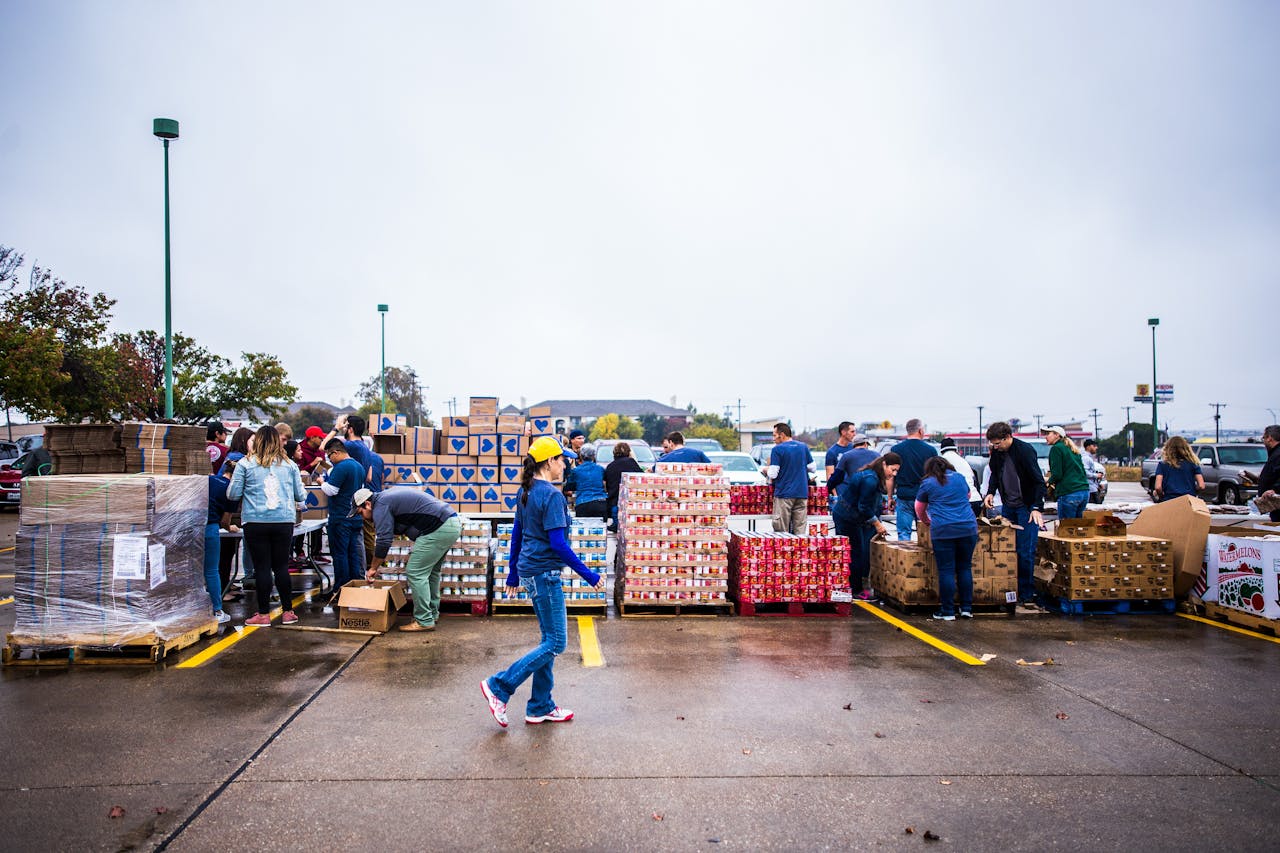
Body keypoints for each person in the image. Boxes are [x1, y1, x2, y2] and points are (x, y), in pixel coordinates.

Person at [481, 437, 601, 728]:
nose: (565, 465)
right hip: (545, 575)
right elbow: (558, 544)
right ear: (549, 462)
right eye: (562, 460)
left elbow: (517, 535)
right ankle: (499, 686)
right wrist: (589, 575)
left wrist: (512, 572)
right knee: (557, 642)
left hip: (531, 572)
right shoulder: (552, 496)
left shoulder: (527, 491)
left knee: (548, 640)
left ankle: (539, 706)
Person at [226, 425, 306, 627]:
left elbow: (232, 494)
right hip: (283, 520)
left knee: (262, 567)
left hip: (255, 521)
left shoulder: (245, 464)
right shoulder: (289, 465)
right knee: (281, 566)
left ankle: (263, 614)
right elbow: (300, 496)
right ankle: (288, 612)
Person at [358, 486, 462, 631]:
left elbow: (383, 540)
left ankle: (424, 620)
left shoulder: (380, 505)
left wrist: (373, 568)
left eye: (361, 512)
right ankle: (431, 614)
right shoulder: (386, 497)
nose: (362, 517)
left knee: (415, 572)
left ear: (367, 504)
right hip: (451, 523)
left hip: (438, 528)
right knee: (431, 573)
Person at [983, 422, 1046, 613]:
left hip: (1026, 507)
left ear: (1007, 437)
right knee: (1007, 550)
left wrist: (1036, 507)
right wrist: (991, 492)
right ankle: (1011, 590)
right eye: (993, 444)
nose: (996, 447)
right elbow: (994, 474)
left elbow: (1038, 481)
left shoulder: (1024, 451)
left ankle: (1027, 594)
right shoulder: (998, 454)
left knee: (1025, 551)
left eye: (998, 443)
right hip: (1009, 506)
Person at [915, 457, 979, 621]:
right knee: (965, 568)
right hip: (968, 528)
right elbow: (968, 494)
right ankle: (966, 609)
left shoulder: (928, 482)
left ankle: (948, 611)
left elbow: (919, 508)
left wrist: (927, 521)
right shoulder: (959, 478)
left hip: (943, 530)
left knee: (946, 570)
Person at [833, 452, 900, 600]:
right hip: (847, 518)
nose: (893, 474)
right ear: (884, 464)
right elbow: (863, 506)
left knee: (856, 552)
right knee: (856, 554)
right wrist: (877, 523)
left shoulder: (871, 475)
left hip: (850, 516)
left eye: (896, 471)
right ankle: (855, 590)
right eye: (892, 469)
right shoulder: (870, 480)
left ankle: (851, 586)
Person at [320, 438, 368, 594]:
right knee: (353, 554)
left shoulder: (341, 467)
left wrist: (322, 482)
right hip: (355, 517)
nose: (330, 460)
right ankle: (354, 587)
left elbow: (331, 490)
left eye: (329, 456)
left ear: (336, 452)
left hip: (340, 517)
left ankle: (340, 588)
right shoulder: (359, 466)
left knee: (340, 554)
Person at [890, 419, 939, 540]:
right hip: (925, 498)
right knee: (926, 533)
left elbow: (891, 476)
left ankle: (904, 558)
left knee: (903, 533)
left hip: (904, 496)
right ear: (921, 430)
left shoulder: (896, 450)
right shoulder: (931, 450)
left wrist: (890, 497)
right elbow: (936, 476)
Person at [765, 423, 814, 534]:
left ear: (781, 435)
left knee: (782, 532)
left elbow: (773, 474)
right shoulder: (803, 447)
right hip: (801, 493)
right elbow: (813, 467)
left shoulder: (777, 449)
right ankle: (799, 551)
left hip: (784, 494)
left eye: (774, 435)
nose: (773, 439)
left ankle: (785, 551)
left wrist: (765, 469)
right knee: (800, 531)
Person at [204, 460, 237, 624]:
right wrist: (231, 528)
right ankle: (217, 610)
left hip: (191, 526)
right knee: (211, 570)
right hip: (210, 528)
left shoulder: (208, 479)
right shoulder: (231, 491)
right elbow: (225, 522)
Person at [1044, 426, 1090, 520]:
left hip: (1069, 492)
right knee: (1078, 528)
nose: (1046, 437)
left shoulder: (1056, 448)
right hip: (1084, 492)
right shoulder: (1072, 448)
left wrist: (1047, 482)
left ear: (1057, 435)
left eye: (1048, 434)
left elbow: (1057, 474)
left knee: (1067, 529)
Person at [604, 441, 643, 531]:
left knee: (617, 530)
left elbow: (607, 485)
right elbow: (641, 477)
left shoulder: (610, 466)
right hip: (630, 503)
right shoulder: (631, 462)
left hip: (614, 504)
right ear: (629, 452)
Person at [1153, 435, 1206, 502]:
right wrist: (1194, 493)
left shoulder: (1162, 465)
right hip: (1188, 500)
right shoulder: (1193, 464)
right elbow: (1201, 486)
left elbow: (1158, 487)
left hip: (1169, 501)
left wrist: (1161, 497)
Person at [939, 437, 982, 516]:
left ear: (941, 451)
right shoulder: (963, 461)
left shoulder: (942, 461)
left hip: (961, 503)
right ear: (955, 450)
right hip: (976, 499)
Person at [566, 445, 609, 519]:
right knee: (601, 528)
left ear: (581, 456)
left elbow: (569, 486)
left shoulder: (576, 471)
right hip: (600, 502)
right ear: (593, 456)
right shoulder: (600, 469)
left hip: (583, 503)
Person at [1255, 425, 1280, 522]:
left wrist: (1275, 489)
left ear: (1270, 438)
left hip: (1277, 503)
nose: (1264, 441)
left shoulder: (1278, 454)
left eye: (1264, 438)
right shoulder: (1275, 453)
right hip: (1274, 505)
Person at [1082, 439, 1106, 503]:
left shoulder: (1088, 457)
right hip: (1090, 489)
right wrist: (1096, 475)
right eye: (1094, 446)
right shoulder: (1086, 458)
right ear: (1088, 447)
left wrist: (1097, 484)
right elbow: (1084, 472)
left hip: (1092, 487)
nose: (1096, 448)